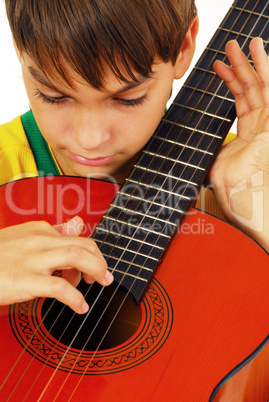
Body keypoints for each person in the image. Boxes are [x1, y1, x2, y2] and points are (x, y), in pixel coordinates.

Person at [0, 0, 268, 314]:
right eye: (54, 96)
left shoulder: (247, 168)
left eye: (128, 99)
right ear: (19, 51)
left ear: (182, 49)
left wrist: (257, 210)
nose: (90, 139)